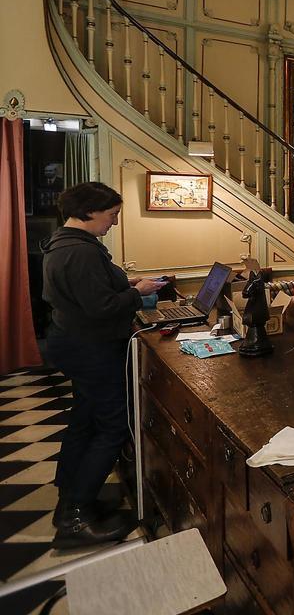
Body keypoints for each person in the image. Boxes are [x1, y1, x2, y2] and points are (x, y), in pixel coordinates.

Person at [41, 182, 165, 548]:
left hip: (76, 344)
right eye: (111, 215)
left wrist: (127, 285)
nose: (113, 222)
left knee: (85, 420)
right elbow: (101, 308)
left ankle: (72, 496)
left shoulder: (64, 244)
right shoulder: (78, 253)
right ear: (90, 212)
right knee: (112, 426)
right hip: (90, 348)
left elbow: (91, 293)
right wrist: (136, 293)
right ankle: (75, 515)